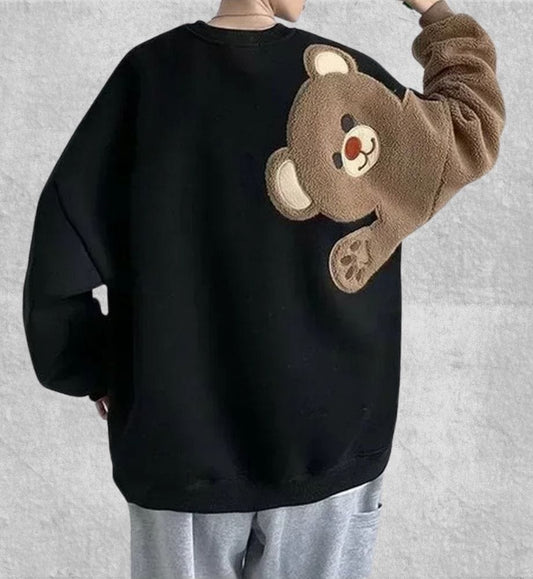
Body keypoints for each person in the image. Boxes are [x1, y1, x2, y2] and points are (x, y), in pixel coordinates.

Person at [21, 0, 505, 576]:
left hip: (176, 451)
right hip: (331, 442)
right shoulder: (351, 86)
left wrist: (92, 368)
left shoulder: (146, 79)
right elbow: (471, 125)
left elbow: (59, 256)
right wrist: (434, 10)